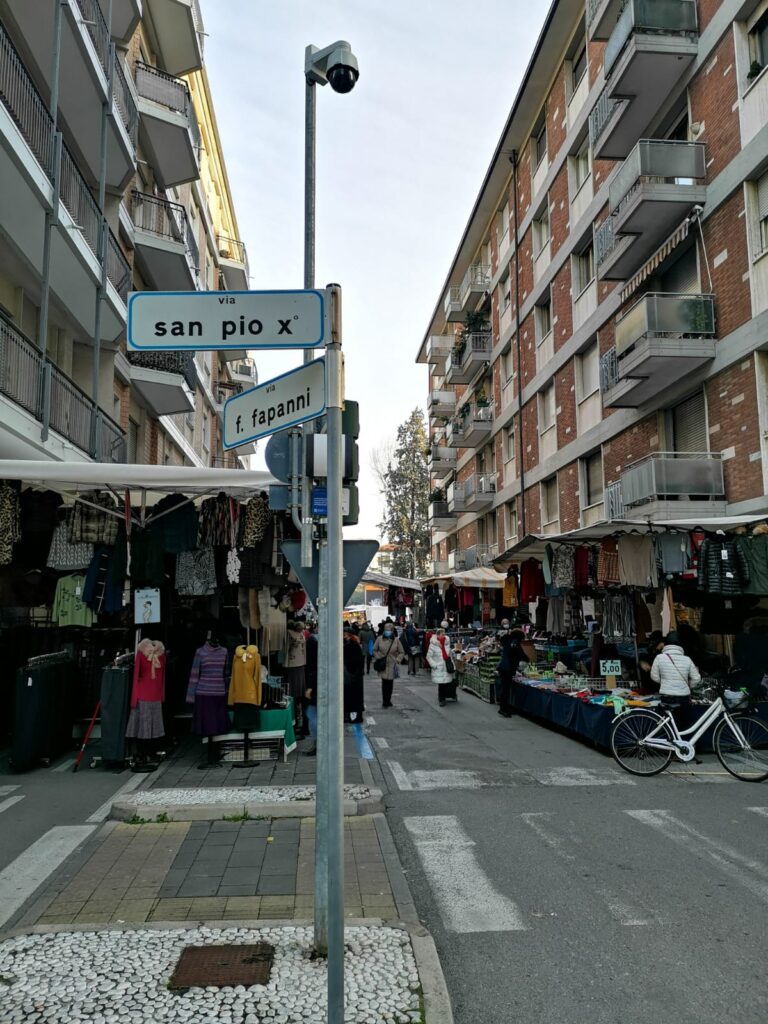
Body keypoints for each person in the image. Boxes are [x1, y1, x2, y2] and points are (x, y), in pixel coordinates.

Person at [650, 631, 702, 706]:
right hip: (684, 696)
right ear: (681, 644)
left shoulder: (659, 658)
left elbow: (654, 676)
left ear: (666, 643)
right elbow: (697, 678)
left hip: (666, 695)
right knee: (684, 717)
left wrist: (665, 683)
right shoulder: (687, 659)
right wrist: (688, 686)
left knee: (667, 716)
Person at [497, 624, 529, 718]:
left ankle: (506, 707)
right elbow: (520, 654)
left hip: (503, 667)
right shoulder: (515, 643)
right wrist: (527, 659)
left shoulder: (508, 641)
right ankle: (502, 709)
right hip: (507, 668)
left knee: (506, 689)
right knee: (505, 689)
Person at [373, 622, 405, 708]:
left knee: (390, 683)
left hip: (392, 664)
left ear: (392, 631)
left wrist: (398, 660)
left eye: (389, 630)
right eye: (386, 630)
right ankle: (385, 701)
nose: (388, 632)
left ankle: (388, 700)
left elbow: (402, 652)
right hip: (382, 663)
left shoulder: (396, 640)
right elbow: (374, 650)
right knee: (384, 683)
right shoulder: (379, 639)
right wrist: (378, 657)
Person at [426, 622, 454, 707]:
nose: (444, 635)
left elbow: (450, 655)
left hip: (446, 666)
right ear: (438, 635)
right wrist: (434, 665)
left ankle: (444, 697)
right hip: (438, 667)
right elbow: (428, 656)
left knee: (446, 683)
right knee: (441, 684)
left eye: (444, 634)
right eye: (442, 634)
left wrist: (452, 664)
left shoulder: (447, 643)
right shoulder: (433, 645)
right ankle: (441, 699)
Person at [343, 622, 365, 722]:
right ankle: (349, 715)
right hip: (352, 673)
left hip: (352, 673)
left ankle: (356, 716)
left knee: (352, 695)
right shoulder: (349, 644)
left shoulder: (352, 645)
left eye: (345, 633)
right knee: (350, 695)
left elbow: (357, 660)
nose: (343, 635)